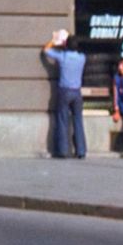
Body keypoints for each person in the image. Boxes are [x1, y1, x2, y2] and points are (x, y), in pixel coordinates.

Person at [42, 30, 86, 159]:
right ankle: (81, 150)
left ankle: (63, 150)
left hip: (64, 91)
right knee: (78, 120)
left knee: (62, 120)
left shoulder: (62, 57)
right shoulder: (82, 58)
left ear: (66, 45)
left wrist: (55, 41)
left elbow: (45, 50)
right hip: (77, 92)